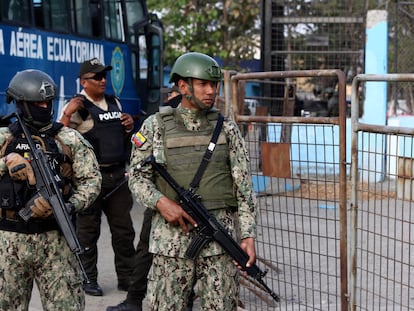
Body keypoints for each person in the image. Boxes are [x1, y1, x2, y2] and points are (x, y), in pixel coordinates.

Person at [127, 52, 258, 310]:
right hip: (170, 244)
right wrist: (161, 202)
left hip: (220, 245)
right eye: (203, 84)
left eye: (214, 84)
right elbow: (137, 176)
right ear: (183, 85)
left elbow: (244, 188)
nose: (211, 91)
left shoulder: (227, 129)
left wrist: (248, 235)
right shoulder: (156, 126)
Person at [0, 69, 102, 310]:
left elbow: (92, 181)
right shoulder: (4, 138)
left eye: (48, 102)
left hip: (56, 239)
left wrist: (70, 205)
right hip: (8, 241)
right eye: (38, 103)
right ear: (22, 104)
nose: (45, 107)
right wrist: (6, 163)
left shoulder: (69, 139)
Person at [59, 58, 136, 296]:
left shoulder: (114, 102)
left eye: (104, 76)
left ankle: (127, 278)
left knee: (124, 231)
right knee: (88, 233)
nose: (103, 80)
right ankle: (88, 278)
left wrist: (129, 126)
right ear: (84, 81)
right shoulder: (77, 106)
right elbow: (60, 141)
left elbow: (123, 138)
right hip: (90, 179)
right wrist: (66, 115)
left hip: (117, 177)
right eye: (97, 77)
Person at [106, 90, 185, 311]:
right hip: (164, 199)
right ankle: (135, 299)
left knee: (148, 251)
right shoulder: (164, 118)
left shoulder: (169, 113)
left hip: (172, 198)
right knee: (147, 249)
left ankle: (135, 300)